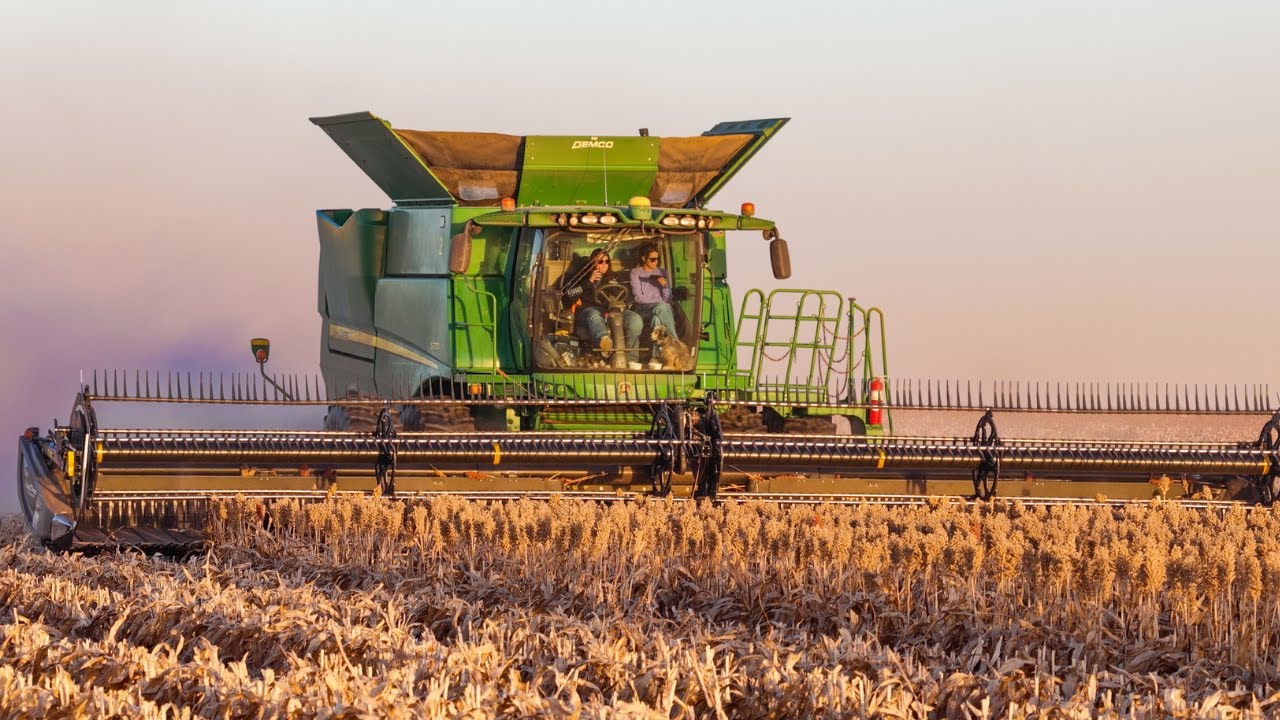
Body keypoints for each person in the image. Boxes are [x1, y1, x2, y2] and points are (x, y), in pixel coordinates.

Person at [561, 247, 642, 368]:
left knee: (635, 319)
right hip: (588, 310)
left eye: (606, 261)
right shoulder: (582, 277)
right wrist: (589, 281)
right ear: (592, 263)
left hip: (612, 311)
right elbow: (569, 293)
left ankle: (631, 359)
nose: (604, 264)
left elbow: (626, 294)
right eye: (600, 261)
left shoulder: (615, 277)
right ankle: (604, 341)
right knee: (594, 315)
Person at [628, 242, 678, 340]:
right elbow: (638, 297)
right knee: (662, 307)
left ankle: (656, 354)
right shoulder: (636, 272)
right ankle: (675, 341)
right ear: (643, 258)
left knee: (656, 320)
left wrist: (664, 287)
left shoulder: (662, 272)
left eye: (658, 259)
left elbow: (667, 298)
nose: (656, 262)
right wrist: (658, 302)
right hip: (643, 309)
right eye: (652, 259)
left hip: (661, 308)